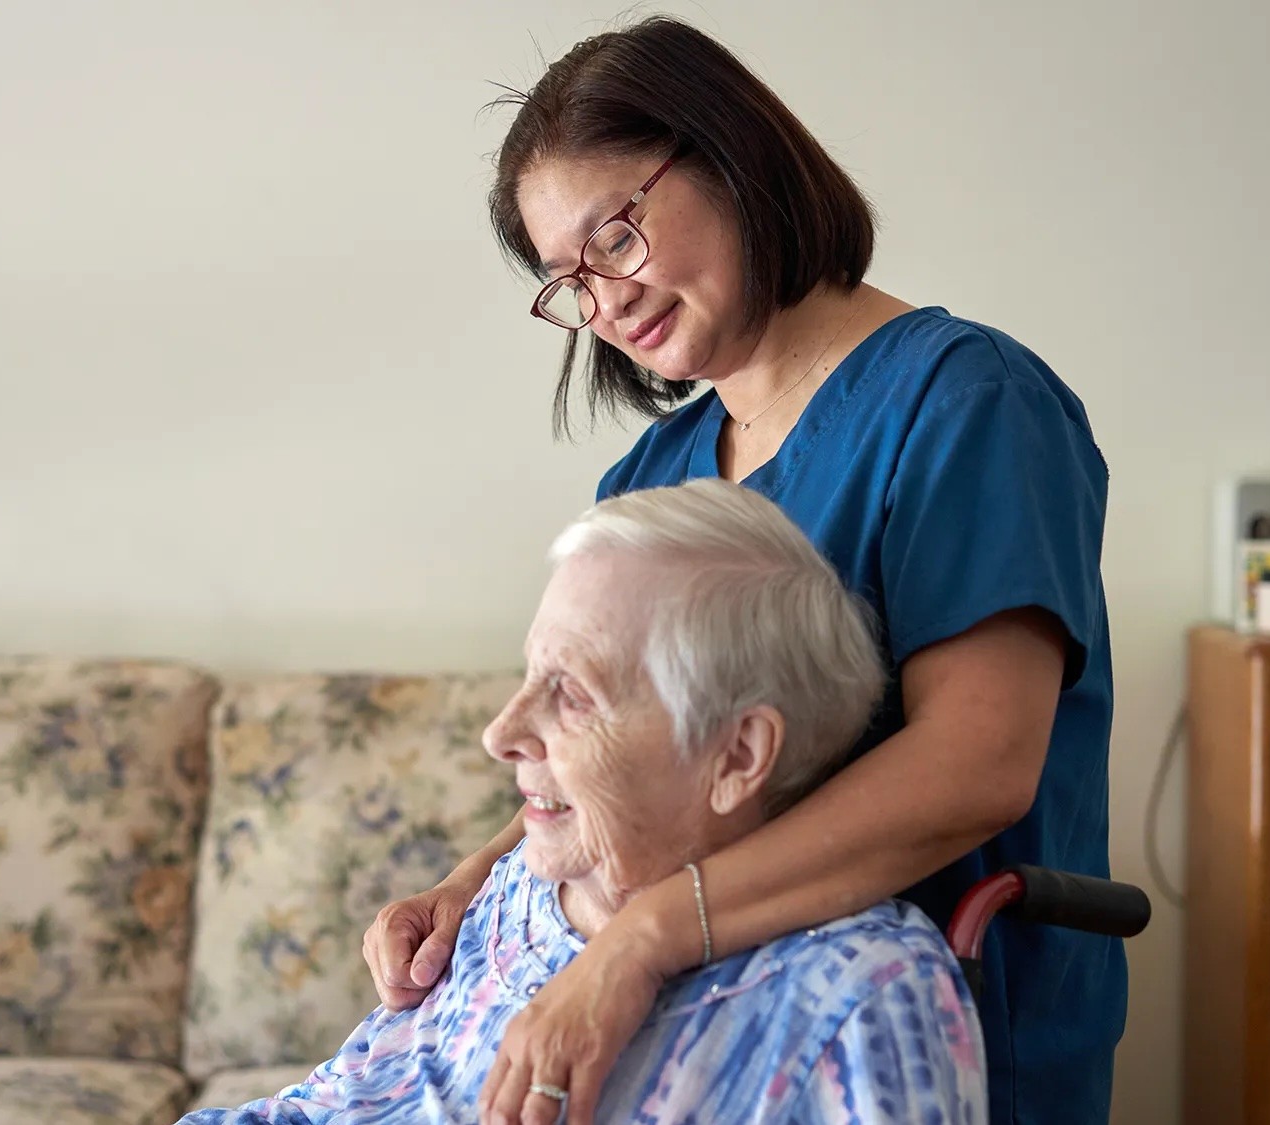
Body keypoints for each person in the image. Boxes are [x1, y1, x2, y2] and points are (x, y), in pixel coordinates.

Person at [363, 16, 1123, 1125]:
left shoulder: (965, 404)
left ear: (728, 155)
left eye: (614, 236)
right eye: (569, 280)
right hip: (695, 1040)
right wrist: (469, 885)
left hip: (907, 1030)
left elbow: (977, 764)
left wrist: (640, 938)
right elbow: (616, 758)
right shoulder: (652, 472)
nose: (605, 303)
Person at [181, 479, 987, 1124]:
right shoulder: (522, 896)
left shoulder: (859, 998)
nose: (500, 733)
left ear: (737, 755)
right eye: (530, 676)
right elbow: (338, 1103)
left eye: (571, 694)